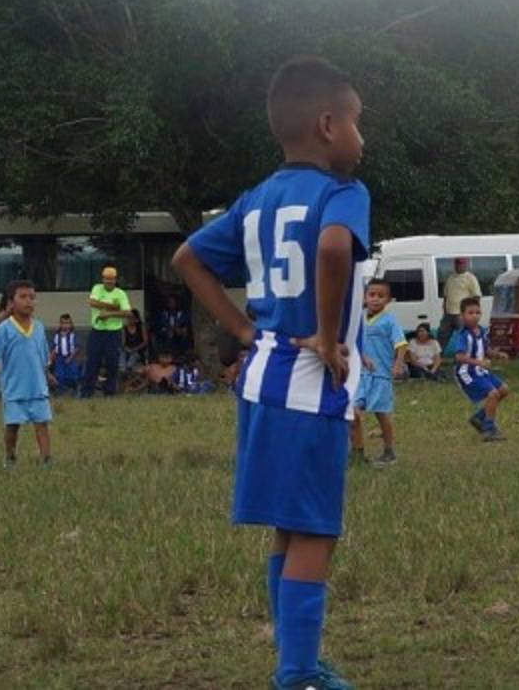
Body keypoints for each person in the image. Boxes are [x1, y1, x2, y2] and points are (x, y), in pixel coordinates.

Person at [173, 55, 368, 689]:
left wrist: (240, 330)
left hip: (262, 376)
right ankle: (298, 676)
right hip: (310, 382)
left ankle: (298, 660)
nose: (363, 139)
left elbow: (188, 259)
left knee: (289, 526)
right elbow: (335, 246)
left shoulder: (256, 200)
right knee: (316, 528)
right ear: (329, 124)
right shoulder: (343, 193)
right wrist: (331, 336)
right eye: (359, 124)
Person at [0, 279, 54, 468]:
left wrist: (47, 375)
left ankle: (46, 460)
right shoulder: (4, 329)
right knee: (12, 427)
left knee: (42, 425)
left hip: (37, 388)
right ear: (11, 303)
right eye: (23, 297)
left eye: (32, 297)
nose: (29, 301)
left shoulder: (38, 327)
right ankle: (10, 457)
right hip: (15, 389)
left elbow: (43, 356)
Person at [350, 279, 406, 468]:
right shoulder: (359, 319)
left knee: (381, 415)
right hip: (360, 375)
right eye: (372, 295)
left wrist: (397, 364)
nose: (375, 299)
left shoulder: (389, 321)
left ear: (388, 300)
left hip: (381, 375)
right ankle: (357, 453)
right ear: (365, 297)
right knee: (353, 412)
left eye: (381, 296)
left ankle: (389, 450)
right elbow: (354, 342)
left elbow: (401, 344)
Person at [453, 296, 510, 443]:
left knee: (503, 390)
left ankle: (479, 418)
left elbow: (485, 350)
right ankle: (488, 429)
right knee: (493, 394)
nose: (474, 316)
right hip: (467, 372)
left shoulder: (482, 331)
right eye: (470, 313)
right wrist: (479, 362)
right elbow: (459, 357)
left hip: (480, 371)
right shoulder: (463, 335)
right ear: (462, 315)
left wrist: (497, 354)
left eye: (477, 312)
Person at [82, 266, 130, 397]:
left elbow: (127, 312)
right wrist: (114, 306)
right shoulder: (97, 288)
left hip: (113, 333)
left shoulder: (120, 293)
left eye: (111, 279)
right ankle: (86, 393)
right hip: (97, 331)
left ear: (115, 280)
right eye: (106, 279)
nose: (108, 282)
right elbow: (92, 302)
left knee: (112, 363)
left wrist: (109, 314)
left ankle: (110, 393)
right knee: (92, 362)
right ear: (102, 279)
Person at [438, 257, 481, 353]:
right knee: (442, 336)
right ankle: (437, 358)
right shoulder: (451, 277)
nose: (459, 266)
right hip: (449, 314)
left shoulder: (470, 278)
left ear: (465, 265)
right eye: (457, 264)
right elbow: (446, 296)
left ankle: (468, 355)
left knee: (464, 336)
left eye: (461, 264)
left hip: (461, 314)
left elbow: (476, 296)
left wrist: (470, 313)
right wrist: (444, 309)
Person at [50, 313, 81, 397]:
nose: (65, 326)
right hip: (59, 359)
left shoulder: (72, 335)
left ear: (71, 324)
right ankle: (60, 392)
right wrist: (50, 359)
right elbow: (54, 349)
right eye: (63, 323)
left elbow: (77, 348)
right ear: (60, 324)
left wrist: (70, 358)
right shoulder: (57, 336)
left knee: (72, 375)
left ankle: (75, 391)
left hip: (70, 358)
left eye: (67, 323)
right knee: (59, 375)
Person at [157, 294, 193, 358]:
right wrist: (168, 330)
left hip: (179, 336)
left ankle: (182, 355)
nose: (172, 304)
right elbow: (161, 327)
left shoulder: (182, 314)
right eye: (170, 302)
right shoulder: (164, 314)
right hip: (167, 336)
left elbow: (186, 325)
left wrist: (180, 330)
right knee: (168, 336)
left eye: (173, 302)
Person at [121, 309, 148, 375]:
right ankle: (123, 371)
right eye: (128, 317)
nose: (130, 319)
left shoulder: (141, 327)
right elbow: (123, 343)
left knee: (133, 357)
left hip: (138, 351)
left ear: (136, 318)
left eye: (132, 317)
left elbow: (145, 342)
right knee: (122, 354)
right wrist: (127, 349)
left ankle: (127, 369)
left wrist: (135, 349)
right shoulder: (124, 328)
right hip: (127, 351)